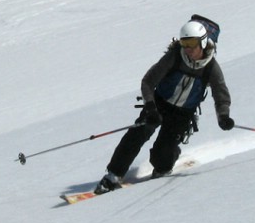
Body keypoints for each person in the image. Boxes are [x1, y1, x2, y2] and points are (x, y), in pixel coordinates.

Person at [94, 18, 234, 194]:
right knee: (136, 134)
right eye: (184, 43)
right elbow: (148, 81)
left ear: (203, 42)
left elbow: (221, 94)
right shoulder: (174, 57)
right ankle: (113, 175)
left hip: (182, 114)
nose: (188, 48)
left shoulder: (211, 68)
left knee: (163, 154)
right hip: (159, 104)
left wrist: (223, 116)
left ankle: (164, 166)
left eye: (191, 43)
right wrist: (151, 107)